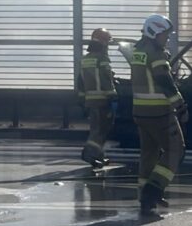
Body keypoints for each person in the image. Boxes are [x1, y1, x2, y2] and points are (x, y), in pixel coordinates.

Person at [130, 14, 185, 215]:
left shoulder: (139, 51)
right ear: (154, 32)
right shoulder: (156, 53)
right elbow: (164, 80)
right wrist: (180, 104)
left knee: (149, 154)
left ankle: (145, 197)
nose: (167, 39)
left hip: (140, 111)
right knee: (176, 150)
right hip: (159, 112)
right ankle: (154, 189)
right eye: (164, 35)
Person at [76, 28, 117, 168]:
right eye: (108, 42)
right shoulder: (102, 58)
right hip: (102, 101)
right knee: (101, 130)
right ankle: (88, 153)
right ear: (103, 42)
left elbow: (80, 82)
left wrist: (82, 100)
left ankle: (98, 156)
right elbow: (106, 80)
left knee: (96, 128)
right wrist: (113, 96)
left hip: (90, 101)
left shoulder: (85, 59)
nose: (108, 46)